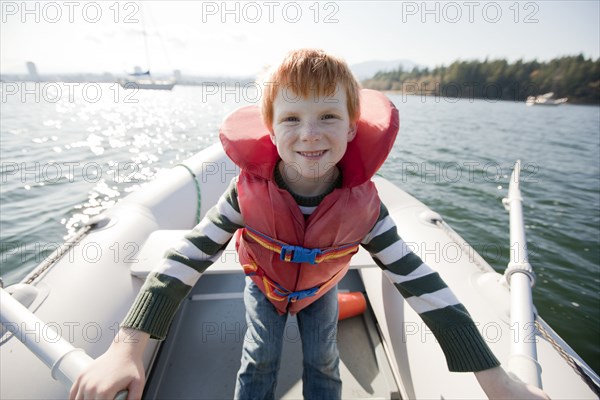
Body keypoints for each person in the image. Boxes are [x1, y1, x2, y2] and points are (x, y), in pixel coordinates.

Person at [70, 49, 549, 400]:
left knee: (324, 359)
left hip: (323, 290)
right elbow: (188, 256)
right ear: (271, 128)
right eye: (292, 117)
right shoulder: (244, 194)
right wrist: (126, 347)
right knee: (259, 357)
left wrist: (497, 380)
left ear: (352, 125)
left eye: (328, 116)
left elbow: (422, 282)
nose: (310, 134)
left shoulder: (367, 209)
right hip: (264, 286)